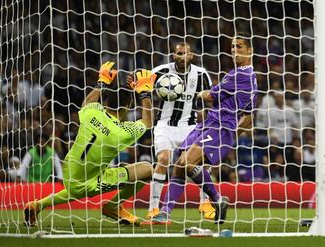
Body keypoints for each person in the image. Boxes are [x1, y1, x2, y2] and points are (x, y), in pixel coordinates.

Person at [24, 62, 156, 227]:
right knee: (147, 169)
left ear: (106, 101)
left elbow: (87, 101)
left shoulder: (91, 111)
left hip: (70, 170)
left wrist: (101, 83)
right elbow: (148, 122)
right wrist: (145, 94)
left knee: (78, 184)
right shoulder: (121, 133)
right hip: (91, 179)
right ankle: (113, 206)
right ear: (128, 107)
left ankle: (37, 205)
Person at [146, 32, 257, 224]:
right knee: (180, 164)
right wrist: (234, 134)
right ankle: (165, 212)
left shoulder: (240, 75)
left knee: (188, 162)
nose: (234, 50)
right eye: (232, 46)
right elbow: (248, 117)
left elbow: (210, 97)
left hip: (219, 127)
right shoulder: (249, 76)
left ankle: (217, 199)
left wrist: (200, 94)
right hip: (209, 124)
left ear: (250, 50)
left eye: (239, 46)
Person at [138, 42, 215, 220]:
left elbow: (212, 97)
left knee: (203, 161)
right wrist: (135, 83)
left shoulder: (201, 74)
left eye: (185, 53)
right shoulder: (161, 71)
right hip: (164, 125)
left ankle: (205, 203)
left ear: (192, 55)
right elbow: (141, 83)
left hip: (189, 126)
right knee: (164, 159)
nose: (182, 57)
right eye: (179, 53)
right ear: (173, 55)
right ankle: (154, 208)